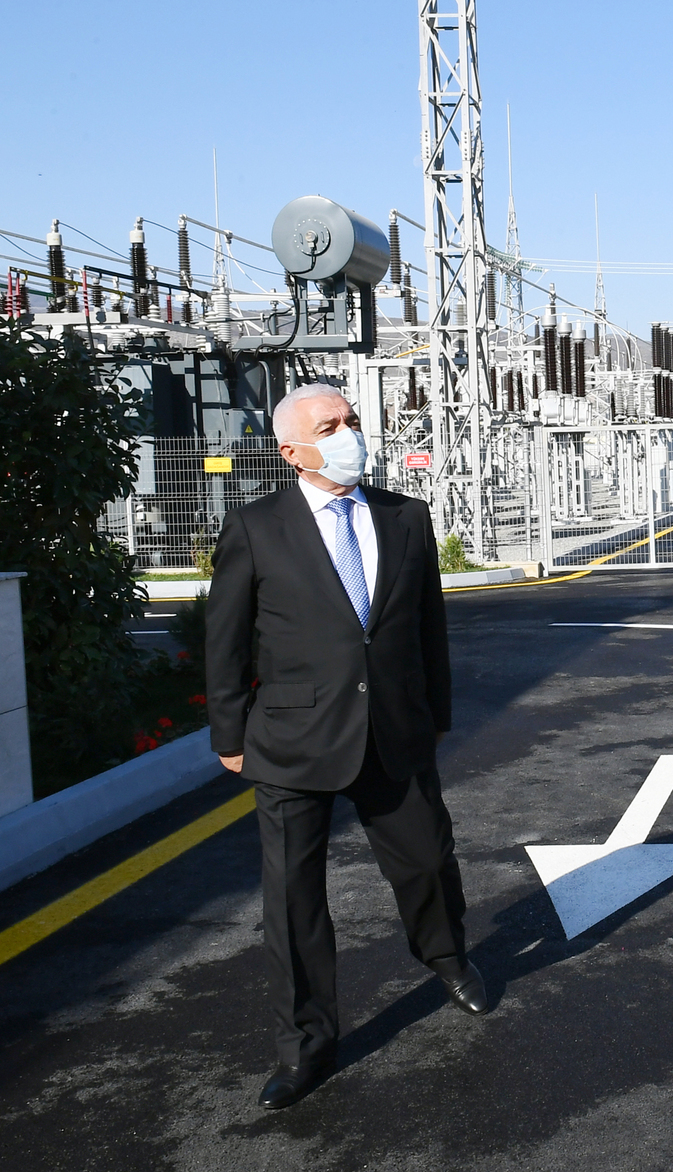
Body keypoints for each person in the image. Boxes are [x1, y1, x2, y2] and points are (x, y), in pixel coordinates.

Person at [206, 383, 486, 1111]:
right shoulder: (256, 527)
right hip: (292, 740)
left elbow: (428, 627)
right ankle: (305, 1046)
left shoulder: (405, 516)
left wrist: (435, 713)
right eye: (330, 426)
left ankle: (447, 957)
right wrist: (228, 734)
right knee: (293, 901)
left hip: (394, 730)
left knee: (427, 861)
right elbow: (226, 639)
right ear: (291, 451)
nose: (349, 434)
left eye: (351, 421)